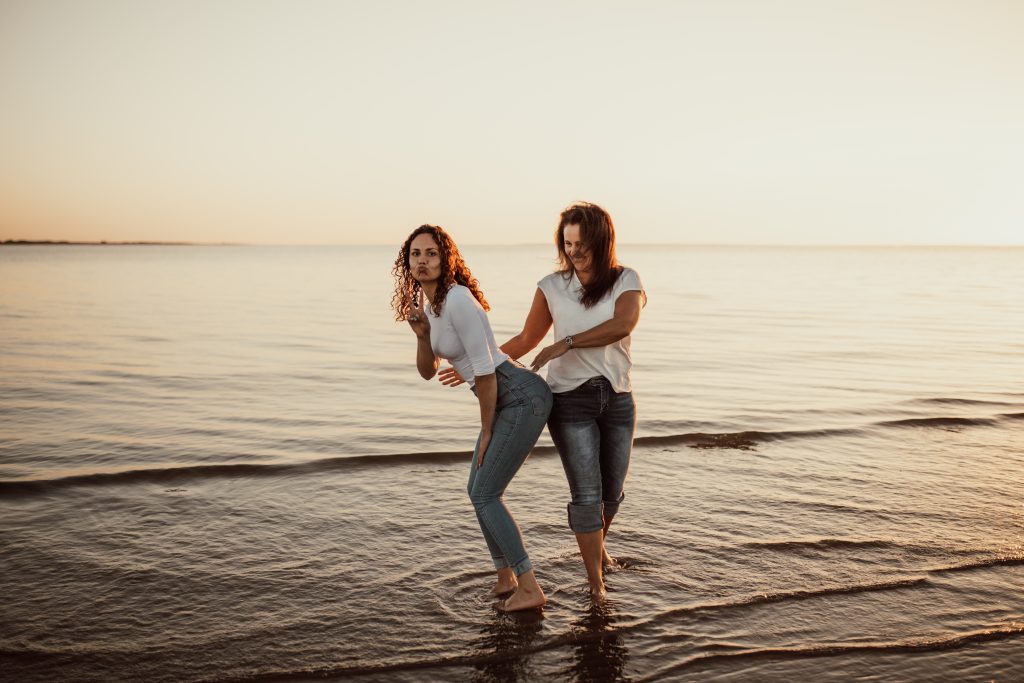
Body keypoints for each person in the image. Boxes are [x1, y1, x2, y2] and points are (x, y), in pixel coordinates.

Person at [440, 203, 645, 602]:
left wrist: (565, 343)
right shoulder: (551, 286)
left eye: (582, 245)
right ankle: (596, 588)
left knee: (612, 495)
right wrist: (478, 365)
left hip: (618, 398)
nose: (574, 253)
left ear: (603, 242)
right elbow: (526, 340)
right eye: (567, 244)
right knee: (586, 496)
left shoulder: (627, 280)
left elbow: (623, 324)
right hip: (570, 400)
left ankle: (599, 551)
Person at [392, 224, 553, 612]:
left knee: (484, 493)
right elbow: (428, 371)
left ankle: (529, 586)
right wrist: (420, 336)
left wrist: (486, 429)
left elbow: (483, 370)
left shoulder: (459, 299)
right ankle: (505, 578)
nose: (423, 260)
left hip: (519, 395)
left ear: (446, 259)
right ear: (406, 262)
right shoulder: (431, 308)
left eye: (431, 253)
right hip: (505, 395)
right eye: (416, 254)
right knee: (476, 491)